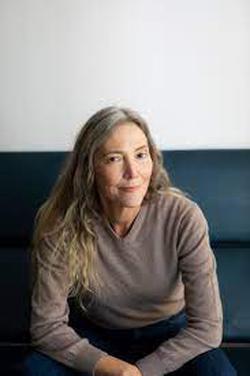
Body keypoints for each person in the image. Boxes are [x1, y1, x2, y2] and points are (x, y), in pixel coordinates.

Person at [23, 106, 237, 376]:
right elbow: (46, 328)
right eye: (114, 158)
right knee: (34, 371)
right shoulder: (61, 224)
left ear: (153, 158)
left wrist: (142, 371)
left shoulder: (184, 217)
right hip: (95, 337)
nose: (133, 172)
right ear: (90, 168)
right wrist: (112, 368)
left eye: (140, 155)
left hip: (171, 335)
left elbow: (206, 327)